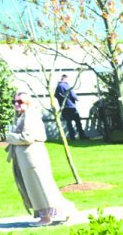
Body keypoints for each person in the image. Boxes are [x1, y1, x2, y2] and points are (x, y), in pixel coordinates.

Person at [5, 92, 74, 225]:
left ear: (28, 102)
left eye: (20, 101)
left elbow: (28, 137)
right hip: (26, 159)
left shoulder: (30, 115)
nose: (16, 104)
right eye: (14, 102)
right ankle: (55, 213)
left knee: (41, 187)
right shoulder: (22, 116)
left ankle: (53, 214)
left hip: (32, 158)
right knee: (37, 187)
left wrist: (10, 137)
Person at [53, 75, 87, 140]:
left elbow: (56, 96)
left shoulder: (58, 86)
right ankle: (82, 136)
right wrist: (76, 99)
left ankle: (72, 137)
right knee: (78, 122)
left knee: (69, 123)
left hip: (63, 107)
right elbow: (73, 95)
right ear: (65, 79)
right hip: (71, 107)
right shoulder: (66, 85)